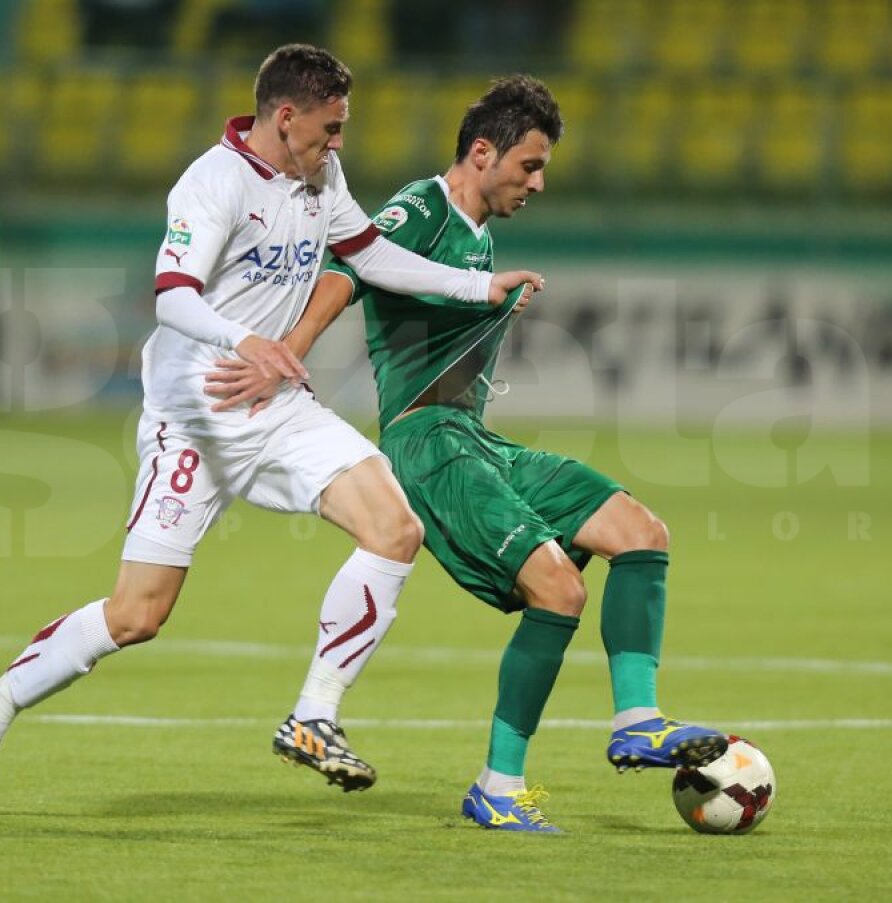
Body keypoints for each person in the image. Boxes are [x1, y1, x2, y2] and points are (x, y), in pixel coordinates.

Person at [0, 45, 542, 821]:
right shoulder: (213, 183)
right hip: (194, 420)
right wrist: (245, 341)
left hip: (278, 409)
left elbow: (369, 253)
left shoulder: (319, 177)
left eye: (343, 130)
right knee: (137, 615)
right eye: (330, 129)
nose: (339, 145)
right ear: (285, 117)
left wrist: (475, 284)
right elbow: (171, 296)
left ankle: (313, 714)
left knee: (396, 525)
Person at [206, 75, 725, 834]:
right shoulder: (423, 206)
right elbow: (348, 267)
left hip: (475, 440)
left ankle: (638, 720)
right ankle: (499, 786)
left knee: (641, 531)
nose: (538, 183)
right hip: (428, 445)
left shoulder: (481, 234)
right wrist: (287, 350)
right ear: (482, 153)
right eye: (530, 165)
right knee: (560, 591)